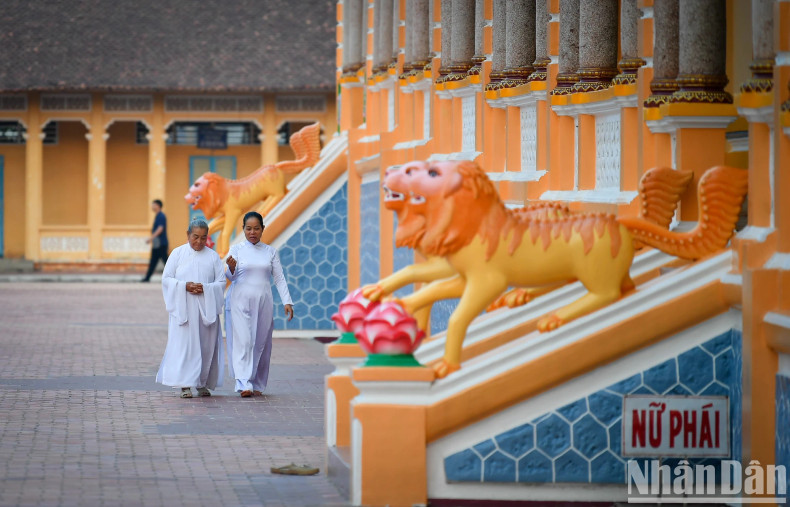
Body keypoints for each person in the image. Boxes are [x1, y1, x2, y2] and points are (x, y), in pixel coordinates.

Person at [225, 211, 295, 398]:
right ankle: (243, 382)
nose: (252, 232)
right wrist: (231, 268)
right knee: (244, 340)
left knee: (261, 342)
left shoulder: (270, 251)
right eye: (248, 228)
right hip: (240, 300)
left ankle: (256, 382)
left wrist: (287, 301)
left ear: (263, 229)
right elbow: (230, 276)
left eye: (256, 228)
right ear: (243, 229)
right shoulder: (236, 250)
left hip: (264, 301)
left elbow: (279, 278)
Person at [156, 219, 225, 398]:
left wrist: (206, 288)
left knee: (205, 347)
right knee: (184, 347)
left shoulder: (213, 257)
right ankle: (185, 385)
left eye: (203, 238)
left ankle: (202, 384)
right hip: (184, 309)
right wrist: (184, 286)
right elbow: (166, 279)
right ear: (188, 235)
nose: (199, 242)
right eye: (195, 237)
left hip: (206, 310)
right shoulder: (177, 254)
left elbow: (221, 282)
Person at [142, 199, 169, 282]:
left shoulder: (161, 216)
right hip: (157, 244)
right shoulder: (158, 216)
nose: (152, 206)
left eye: (153, 205)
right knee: (154, 261)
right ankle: (147, 278)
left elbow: (160, 229)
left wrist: (151, 238)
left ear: (158, 206)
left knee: (167, 262)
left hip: (161, 244)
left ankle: (177, 276)